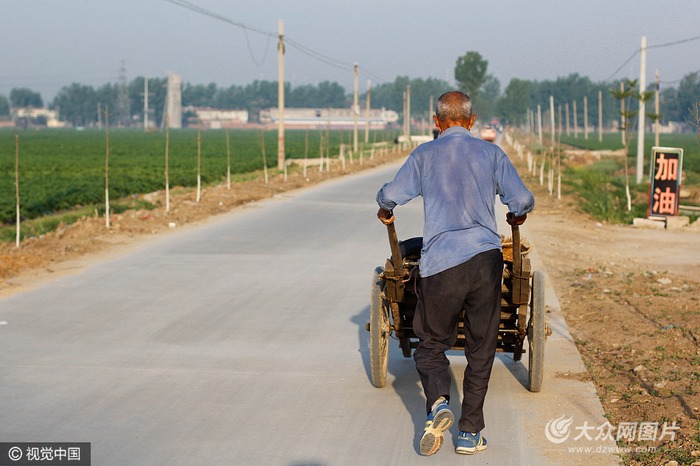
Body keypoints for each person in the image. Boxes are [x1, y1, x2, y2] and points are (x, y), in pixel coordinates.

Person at [375, 91, 534, 456]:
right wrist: (517, 215)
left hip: (441, 265)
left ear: (437, 121)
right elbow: (521, 200)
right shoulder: (491, 154)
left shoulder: (425, 155)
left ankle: (438, 404)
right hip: (484, 261)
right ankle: (469, 433)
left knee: (430, 345)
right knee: (481, 348)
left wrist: (384, 206)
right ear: (472, 120)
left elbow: (391, 196)